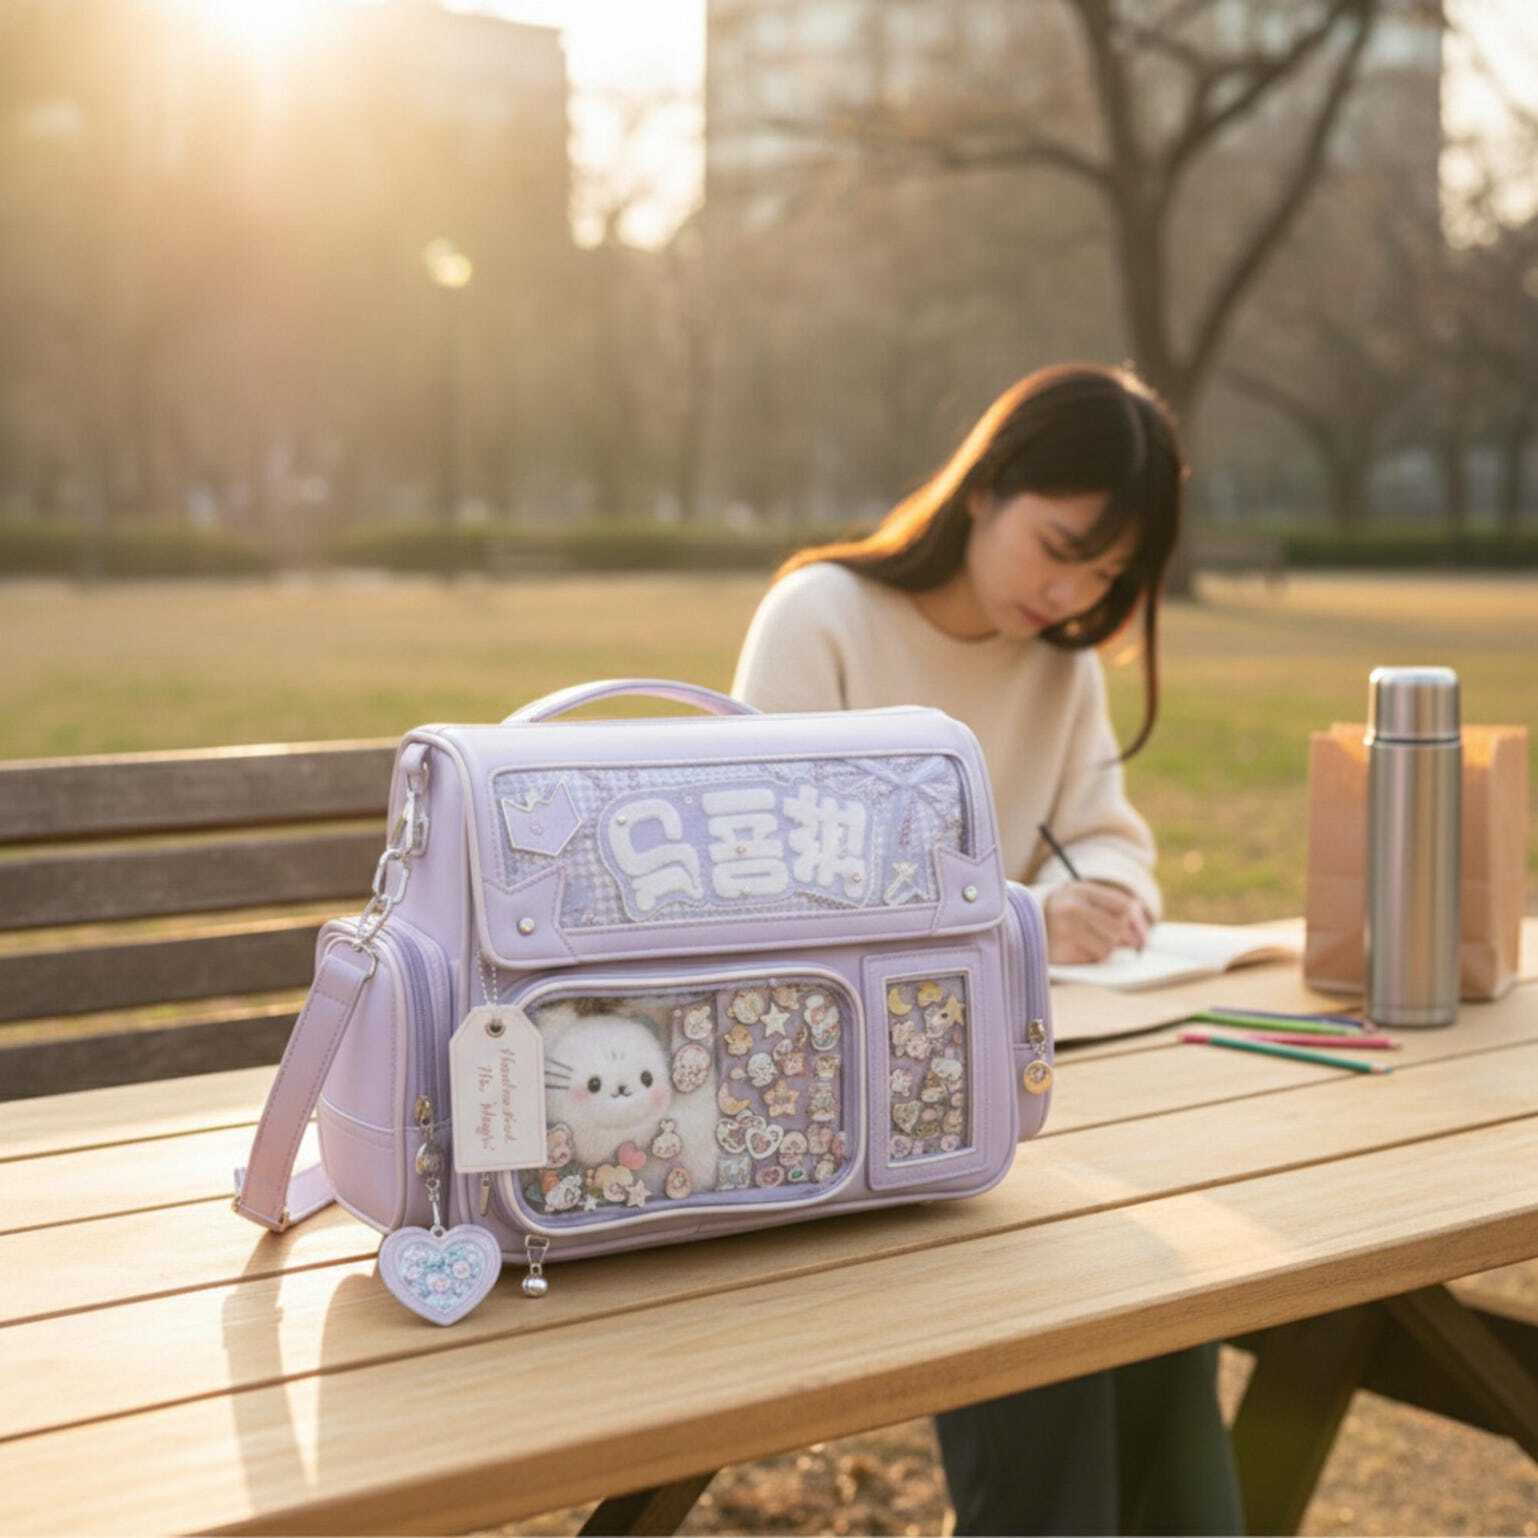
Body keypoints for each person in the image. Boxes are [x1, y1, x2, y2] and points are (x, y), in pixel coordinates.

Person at [728, 362, 1244, 1536]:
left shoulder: (1058, 666)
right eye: (1057, 545)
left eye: (1105, 575)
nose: (1068, 591)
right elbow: (767, 893)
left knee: (1169, 1305)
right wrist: (1015, 915)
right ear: (982, 489)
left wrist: (1100, 894)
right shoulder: (822, 619)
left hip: (1018, 1091)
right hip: (833, 1105)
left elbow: (1109, 840)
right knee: (1062, 1286)